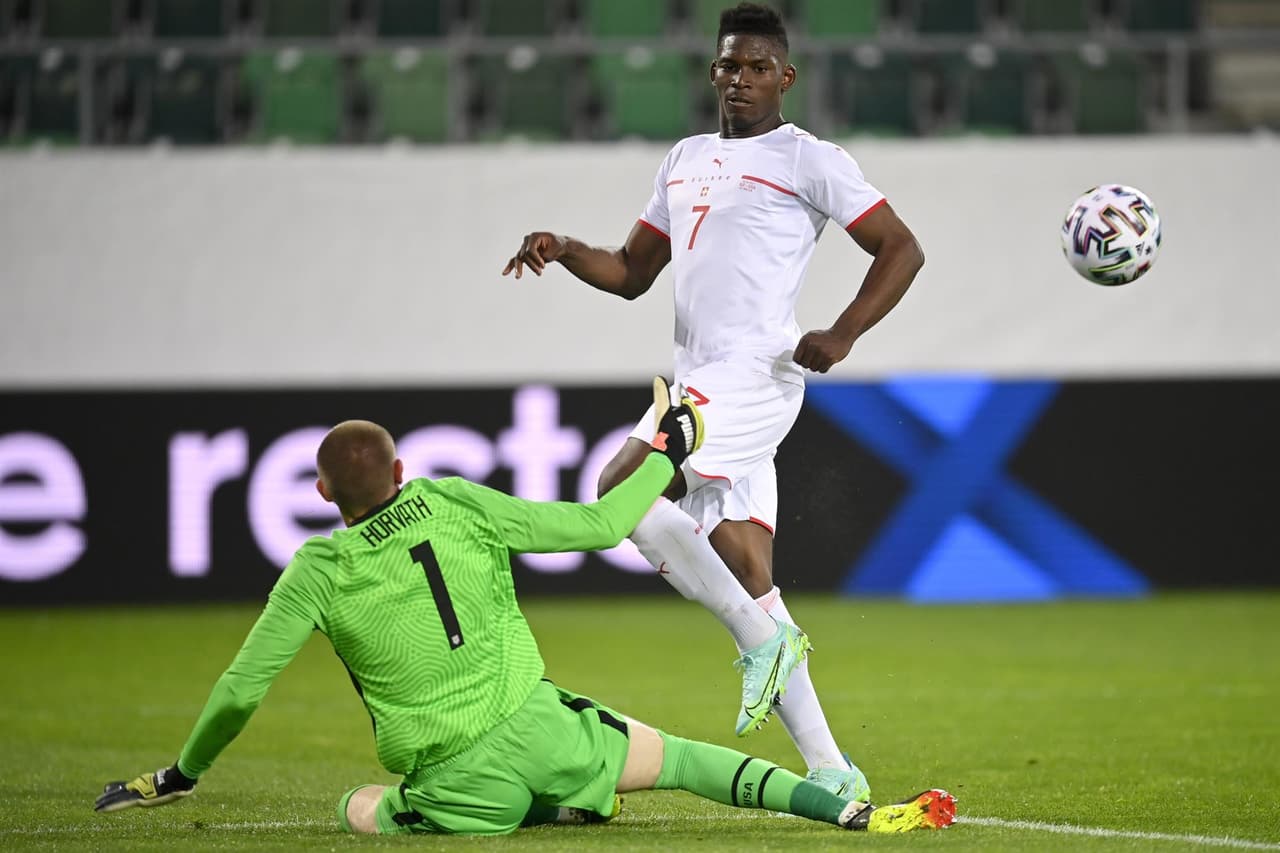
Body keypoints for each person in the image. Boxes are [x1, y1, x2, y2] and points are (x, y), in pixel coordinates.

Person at [92, 380, 956, 836]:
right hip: (543, 726)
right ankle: (846, 810)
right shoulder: (452, 501)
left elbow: (243, 690)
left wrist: (183, 774)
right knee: (691, 762)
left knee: (356, 807)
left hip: (455, 789)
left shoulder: (313, 571)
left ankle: (519, 808)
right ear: (400, 475)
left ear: (319, 491)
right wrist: (667, 454)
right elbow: (597, 522)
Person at [502, 2, 926, 804]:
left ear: (786, 77)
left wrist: (842, 333)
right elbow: (631, 272)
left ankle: (762, 643)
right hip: (698, 378)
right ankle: (835, 766)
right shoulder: (685, 158)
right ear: (713, 71)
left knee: (615, 485)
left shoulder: (811, 159)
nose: (741, 79)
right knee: (749, 573)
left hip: (751, 377)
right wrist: (565, 251)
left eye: (758, 67)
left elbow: (901, 248)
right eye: (730, 65)